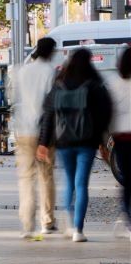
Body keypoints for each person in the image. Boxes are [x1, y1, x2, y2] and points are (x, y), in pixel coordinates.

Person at [38, 48, 113, 243]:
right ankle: (79, 231)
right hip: (87, 143)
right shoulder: (95, 85)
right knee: (82, 185)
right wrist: (102, 142)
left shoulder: (58, 85)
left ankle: (70, 225)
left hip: (63, 142)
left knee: (69, 182)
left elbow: (48, 115)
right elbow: (104, 115)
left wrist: (43, 143)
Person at [10, 37, 58, 238]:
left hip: (23, 130)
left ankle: (27, 223)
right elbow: (52, 105)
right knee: (46, 175)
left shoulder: (21, 71)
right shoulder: (51, 73)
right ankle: (47, 221)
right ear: (51, 52)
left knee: (25, 176)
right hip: (44, 131)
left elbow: (12, 99)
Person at [108, 47, 131, 238]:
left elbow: (110, 113)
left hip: (122, 137)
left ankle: (127, 218)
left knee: (127, 180)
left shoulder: (114, 85)